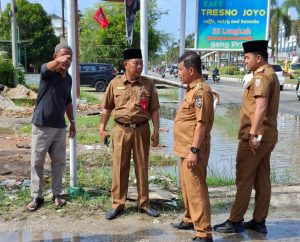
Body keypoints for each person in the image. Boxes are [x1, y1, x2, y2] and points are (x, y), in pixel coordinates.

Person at [213, 40, 280, 234]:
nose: (245, 61)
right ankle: (259, 221)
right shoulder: (270, 74)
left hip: (255, 137)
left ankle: (235, 221)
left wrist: (252, 134)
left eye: (247, 57)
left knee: (243, 179)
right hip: (267, 136)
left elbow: (261, 107)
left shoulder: (261, 77)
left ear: (258, 58)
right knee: (261, 178)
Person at [99, 48, 160, 220]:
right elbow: (107, 108)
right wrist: (102, 128)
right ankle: (118, 204)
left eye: (141, 63)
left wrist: (156, 131)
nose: (140, 66)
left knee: (142, 166)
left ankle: (144, 204)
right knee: (119, 167)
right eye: (136, 63)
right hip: (121, 130)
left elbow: (154, 109)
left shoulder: (148, 84)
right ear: (126, 65)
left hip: (142, 129)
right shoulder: (115, 83)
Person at [27, 43, 76, 211]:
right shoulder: (47, 73)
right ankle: (36, 196)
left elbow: (67, 102)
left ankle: (57, 194)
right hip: (42, 124)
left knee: (59, 162)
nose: (67, 60)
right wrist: (58, 61)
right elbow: (44, 67)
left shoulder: (68, 79)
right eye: (63, 56)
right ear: (55, 56)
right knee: (37, 162)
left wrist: (72, 123)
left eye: (70, 57)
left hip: (59, 127)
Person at [172, 51, 214, 242]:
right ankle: (190, 219)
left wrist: (194, 150)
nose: (178, 73)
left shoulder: (201, 91)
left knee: (196, 189)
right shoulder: (191, 89)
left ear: (191, 70)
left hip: (193, 149)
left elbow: (201, 124)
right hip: (184, 148)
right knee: (188, 188)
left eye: (180, 69)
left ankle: (204, 232)